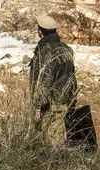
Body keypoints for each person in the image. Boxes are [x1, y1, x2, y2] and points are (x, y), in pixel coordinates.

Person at [30, 15, 79, 145]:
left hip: (49, 103)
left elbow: (45, 80)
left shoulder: (45, 51)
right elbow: (72, 76)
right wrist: (72, 100)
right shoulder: (66, 49)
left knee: (50, 141)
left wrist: (38, 107)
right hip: (65, 100)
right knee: (58, 135)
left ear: (40, 31)